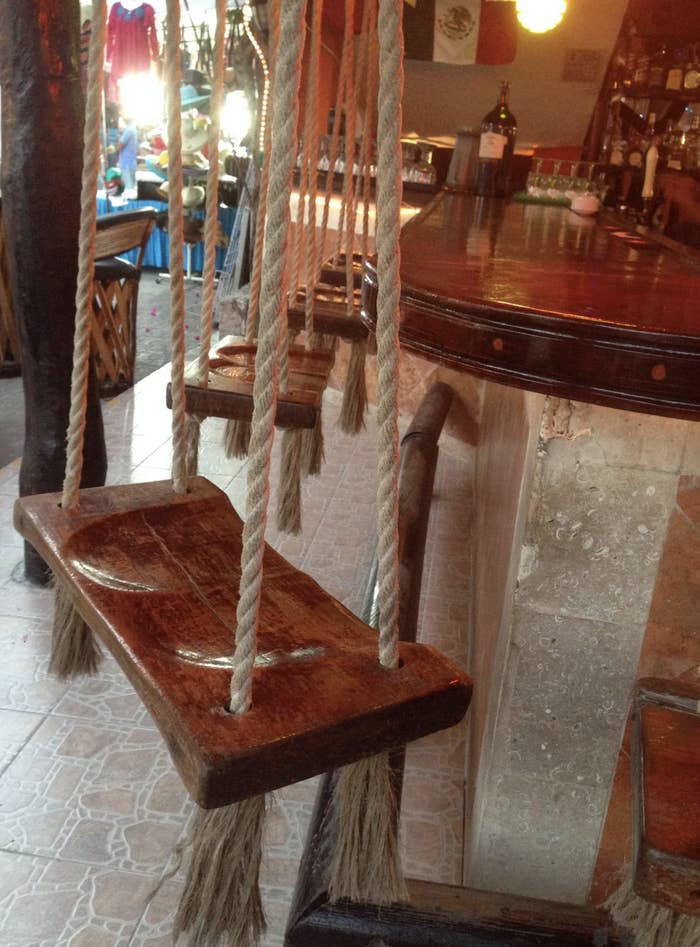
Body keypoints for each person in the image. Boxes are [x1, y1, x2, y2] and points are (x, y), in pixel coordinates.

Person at [117, 115, 138, 194]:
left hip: (126, 163)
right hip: (131, 162)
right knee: (131, 187)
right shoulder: (133, 130)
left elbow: (120, 145)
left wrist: (117, 142)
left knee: (128, 189)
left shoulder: (128, 130)